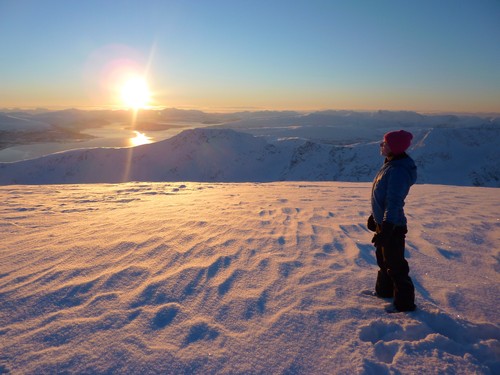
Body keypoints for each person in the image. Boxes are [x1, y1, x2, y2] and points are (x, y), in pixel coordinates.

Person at [367, 130, 417, 312]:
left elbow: (394, 203)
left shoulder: (398, 171)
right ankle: (384, 294)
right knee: (384, 262)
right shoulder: (391, 165)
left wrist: (387, 229)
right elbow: (383, 198)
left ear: (394, 149)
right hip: (386, 224)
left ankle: (405, 306)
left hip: (393, 226)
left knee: (396, 266)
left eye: (385, 143)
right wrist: (375, 217)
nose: (381, 145)